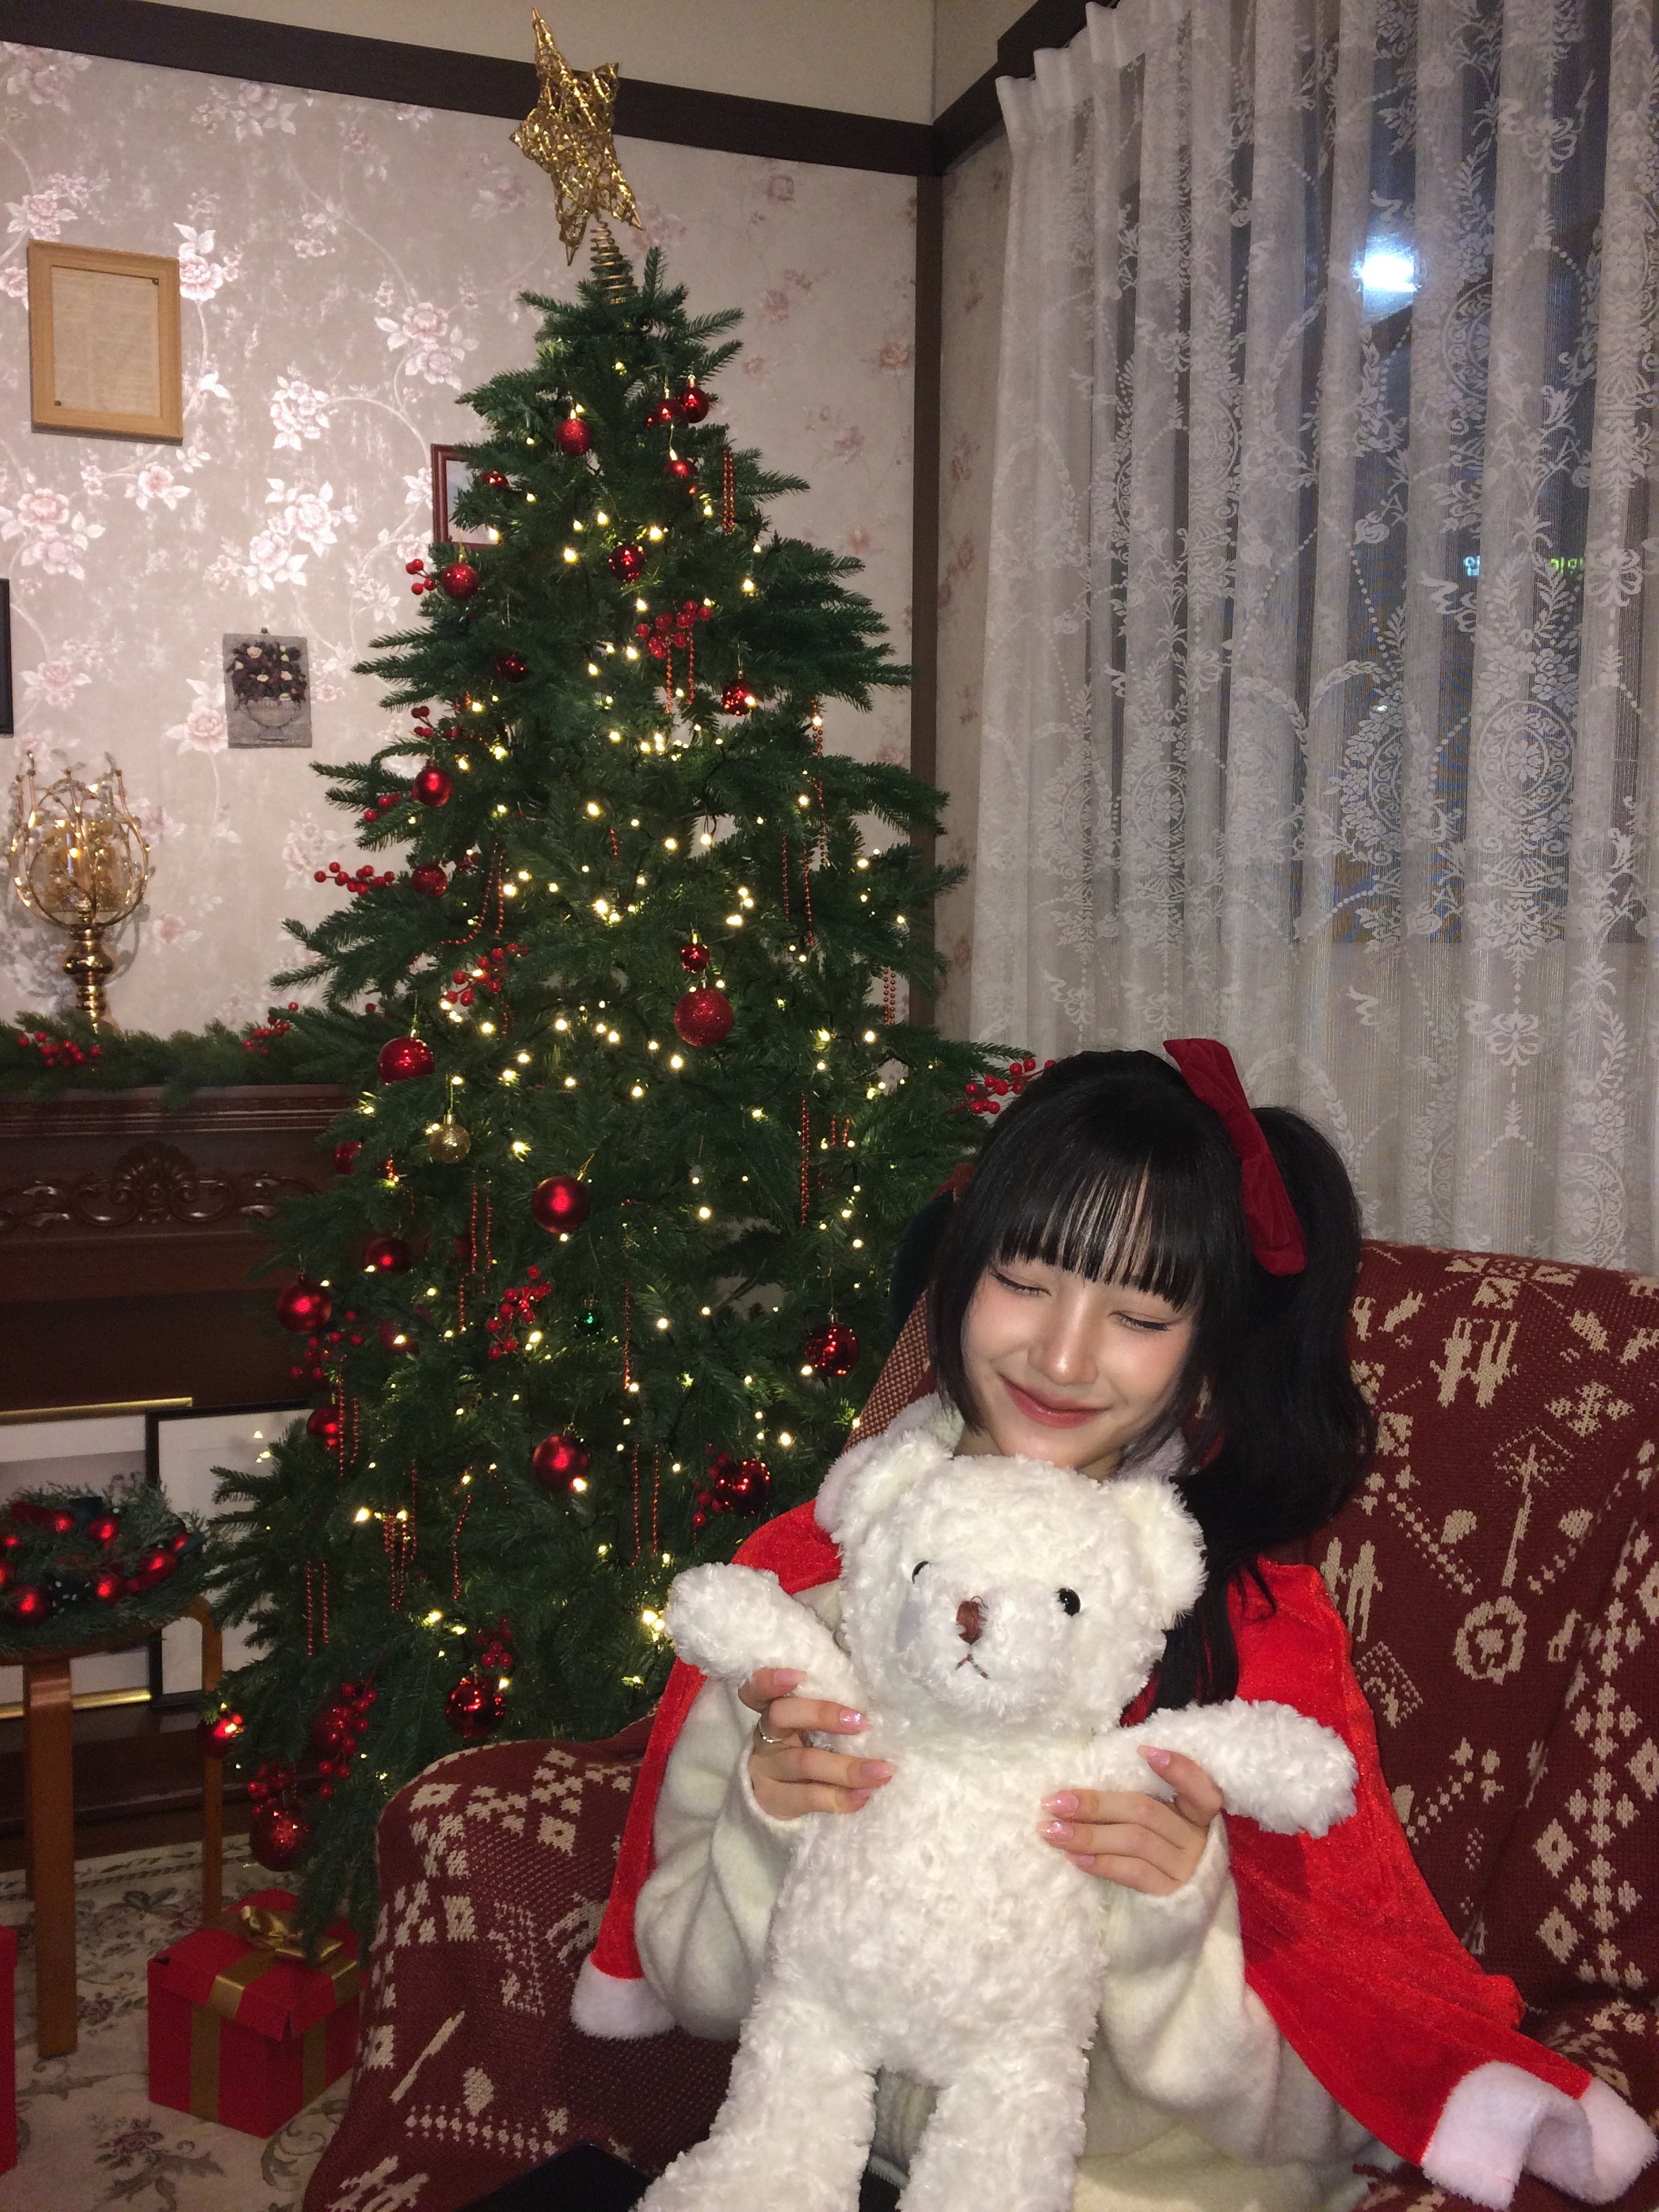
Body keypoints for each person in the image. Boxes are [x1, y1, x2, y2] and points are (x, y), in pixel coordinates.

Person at [577, 1046, 1657, 2212]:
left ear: (1207, 1354)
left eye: (1139, 1313)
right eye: (1024, 1280)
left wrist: (1172, 1920)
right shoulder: (820, 1579)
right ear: (962, 1273)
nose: (1062, 1357)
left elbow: (1336, 2102)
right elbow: (699, 1992)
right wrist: (765, 1821)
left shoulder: (1255, 1642)